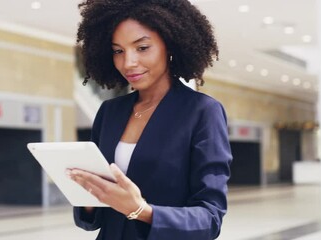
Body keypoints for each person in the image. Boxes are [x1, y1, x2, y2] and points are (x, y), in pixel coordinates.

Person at [68, 0, 232, 239]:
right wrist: (91, 195)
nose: (128, 62)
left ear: (171, 45)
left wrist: (141, 210)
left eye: (142, 47)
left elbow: (210, 219)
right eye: (118, 51)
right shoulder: (109, 112)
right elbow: (93, 219)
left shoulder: (202, 112)